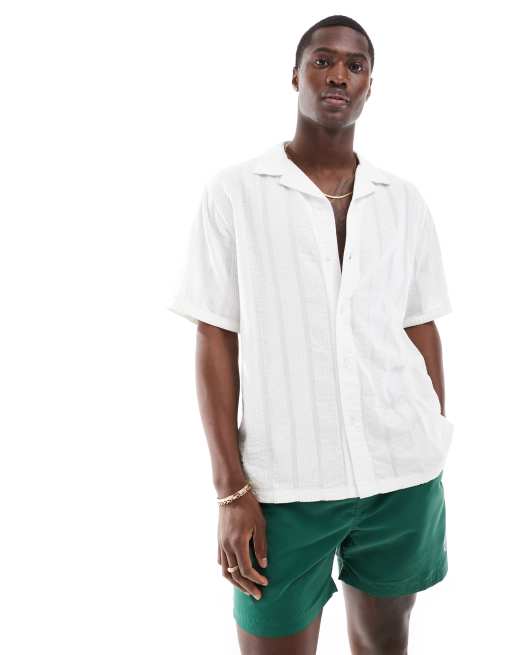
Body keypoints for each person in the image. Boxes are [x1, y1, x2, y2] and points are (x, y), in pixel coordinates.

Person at [168, 13, 454, 655]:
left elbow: (421, 324)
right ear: (295, 76)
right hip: (285, 487)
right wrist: (230, 490)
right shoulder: (237, 192)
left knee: (385, 643)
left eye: (355, 65)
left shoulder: (403, 199)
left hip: (401, 475)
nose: (338, 75)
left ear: (371, 84)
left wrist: (432, 432)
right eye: (323, 60)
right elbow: (216, 338)